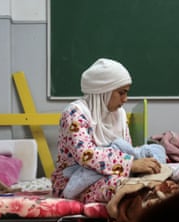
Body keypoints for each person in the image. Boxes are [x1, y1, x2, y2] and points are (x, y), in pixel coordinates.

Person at [51, 58, 163, 204]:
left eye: (126, 93)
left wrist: (141, 160)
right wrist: (130, 165)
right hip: (72, 181)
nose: (125, 99)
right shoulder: (74, 113)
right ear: (103, 91)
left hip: (111, 172)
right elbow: (86, 155)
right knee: (124, 188)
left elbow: (125, 149)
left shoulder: (119, 114)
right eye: (121, 93)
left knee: (152, 179)